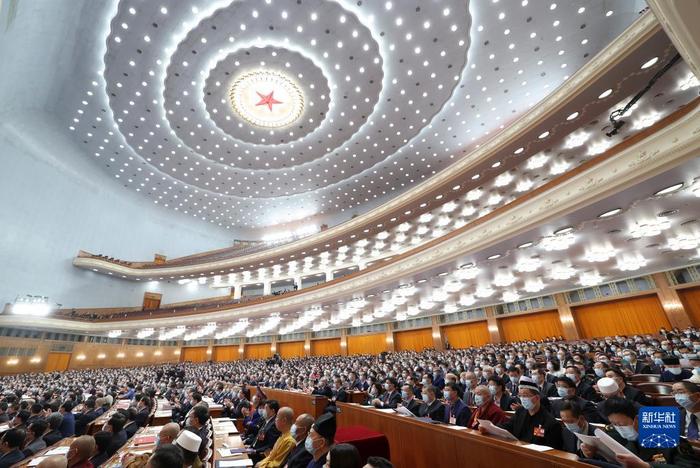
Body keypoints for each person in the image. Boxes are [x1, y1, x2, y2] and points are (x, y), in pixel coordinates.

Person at [582, 397, 700, 466]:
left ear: (638, 419)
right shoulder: (614, 435)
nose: (619, 428)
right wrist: (591, 454)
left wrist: (647, 466)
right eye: (615, 424)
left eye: (622, 424)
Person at [485, 377, 563, 449]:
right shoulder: (520, 412)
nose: (522, 399)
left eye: (525, 396)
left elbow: (552, 448)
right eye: (520, 396)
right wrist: (490, 428)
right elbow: (509, 426)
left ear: (537, 398)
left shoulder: (549, 422)